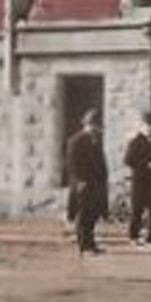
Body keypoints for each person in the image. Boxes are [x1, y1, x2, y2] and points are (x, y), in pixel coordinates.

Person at [64, 109, 109, 256]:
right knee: (83, 216)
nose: (95, 128)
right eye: (92, 125)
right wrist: (80, 181)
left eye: (97, 125)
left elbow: (100, 163)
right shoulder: (76, 140)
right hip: (83, 184)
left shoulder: (95, 140)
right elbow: (73, 164)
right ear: (86, 124)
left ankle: (91, 244)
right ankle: (84, 246)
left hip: (95, 184)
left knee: (92, 215)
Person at [123, 111, 151, 246]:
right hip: (140, 181)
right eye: (147, 126)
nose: (150, 129)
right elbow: (129, 160)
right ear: (141, 127)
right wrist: (147, 165)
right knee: (137, 209)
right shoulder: (135, 141)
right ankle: (133, 236)